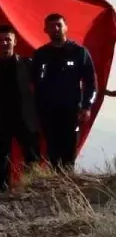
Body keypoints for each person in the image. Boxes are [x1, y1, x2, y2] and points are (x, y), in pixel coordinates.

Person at [32, 13, 98, 172]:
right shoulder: (41, 54)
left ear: (65, 27)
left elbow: (91, 83)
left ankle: (67, 188)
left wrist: (87, 106)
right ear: (45, 29)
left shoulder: (79, 52)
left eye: (59, 25)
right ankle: (55, 187)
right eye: (51, 26)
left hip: (71, 112)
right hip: (47, 112)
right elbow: (33, 83)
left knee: (68, 155)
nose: (55, 29)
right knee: (52, 153)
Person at [0, 24, 40, 191]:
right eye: (1, 40)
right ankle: (1, 194)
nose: (5, 43)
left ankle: (32, 191)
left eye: (8, 39)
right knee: (1, 160)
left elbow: (43, 87)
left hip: (25, 118)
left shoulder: (28, 64)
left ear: (15, 41)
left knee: (32, 157)